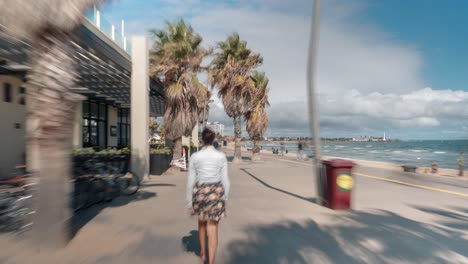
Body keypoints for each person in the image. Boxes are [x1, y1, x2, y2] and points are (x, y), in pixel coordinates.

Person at [187, 128, 230, 264]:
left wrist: (189, 201)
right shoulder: (221, 156)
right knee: (213, 227)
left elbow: (190, 180)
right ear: (214, 140)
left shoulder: (195, 157)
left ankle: (203, 252)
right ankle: (211, 262)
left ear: (202, 140)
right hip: (216, 191)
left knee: (201, 222)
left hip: (200, 190)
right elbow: (225, 179)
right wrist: (225, 197)